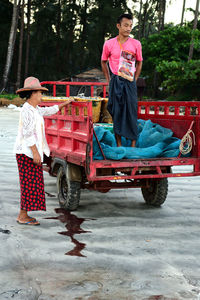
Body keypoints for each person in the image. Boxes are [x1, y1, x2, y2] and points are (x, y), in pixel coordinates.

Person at [14, 77, 72, 226]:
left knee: (33, 184)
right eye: (39, 92)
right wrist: (35, 152)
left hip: (30, 152)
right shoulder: (26, 110)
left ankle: (23, 214)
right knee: (28, 184)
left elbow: (49, 110)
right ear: (32, 93)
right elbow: (27, 133)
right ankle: (22, 215)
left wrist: (65, 103)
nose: (41, 95)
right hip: (25, 152)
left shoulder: (35, 109)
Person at [101, 13, 143, 147]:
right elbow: (103, 62)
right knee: (115, 110)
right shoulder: (109, 44)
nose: (128, 28)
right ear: (118, 26)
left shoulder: (136, 44)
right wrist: (109, 80)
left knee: (131, 109)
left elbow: (140, 62)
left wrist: (135, 79)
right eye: (125, 25)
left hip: (129, 80)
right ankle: (119, 144)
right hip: (115, 81)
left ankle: (133, 144)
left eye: (130, 26)